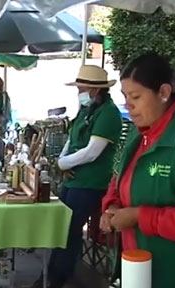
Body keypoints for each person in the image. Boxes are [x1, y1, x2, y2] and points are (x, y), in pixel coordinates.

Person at [100, 53, 175, 288]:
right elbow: (118, 180)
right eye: (125, 97)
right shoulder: (138, 134)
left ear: (164, 93)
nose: (129, 105)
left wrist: (139, 216)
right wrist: (112, 206)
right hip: (137, 269)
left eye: (136, 96)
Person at [36, 65, 122, 288]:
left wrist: (64, 162)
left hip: (92, 183)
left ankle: (58, 279)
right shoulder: (86, 110)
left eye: (81, 88)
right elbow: (71, 141)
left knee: (70, 231)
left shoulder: (109, 113)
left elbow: (93, 151)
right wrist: (61, 161)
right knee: (60, 228)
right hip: (73, 179)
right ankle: (51, 274)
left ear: (94, 89)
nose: (79, 92)